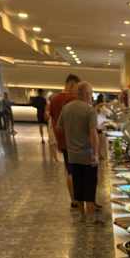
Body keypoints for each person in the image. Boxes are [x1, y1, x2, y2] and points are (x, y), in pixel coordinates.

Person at [57, 81, 100, 223]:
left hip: (73, 156)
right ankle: (91, 218)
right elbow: (93, 134)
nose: (91, 96)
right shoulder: (89, 110)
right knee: (90, 189)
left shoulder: (66, 108)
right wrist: (96, 154)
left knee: (78, 188)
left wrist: (72, 136)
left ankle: (81, 217)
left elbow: (59, 127)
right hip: (88, 156)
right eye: (91, 93)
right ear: (86, 94)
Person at [49, 74, 80, 209]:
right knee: (74, 172)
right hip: (74, 141)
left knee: (68, 170)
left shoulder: (54, 99)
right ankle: (77, 199)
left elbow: (51, 118)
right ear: (72, 84)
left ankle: (73, 199)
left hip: (61, 140)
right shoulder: (73, 99)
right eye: (77, 87)